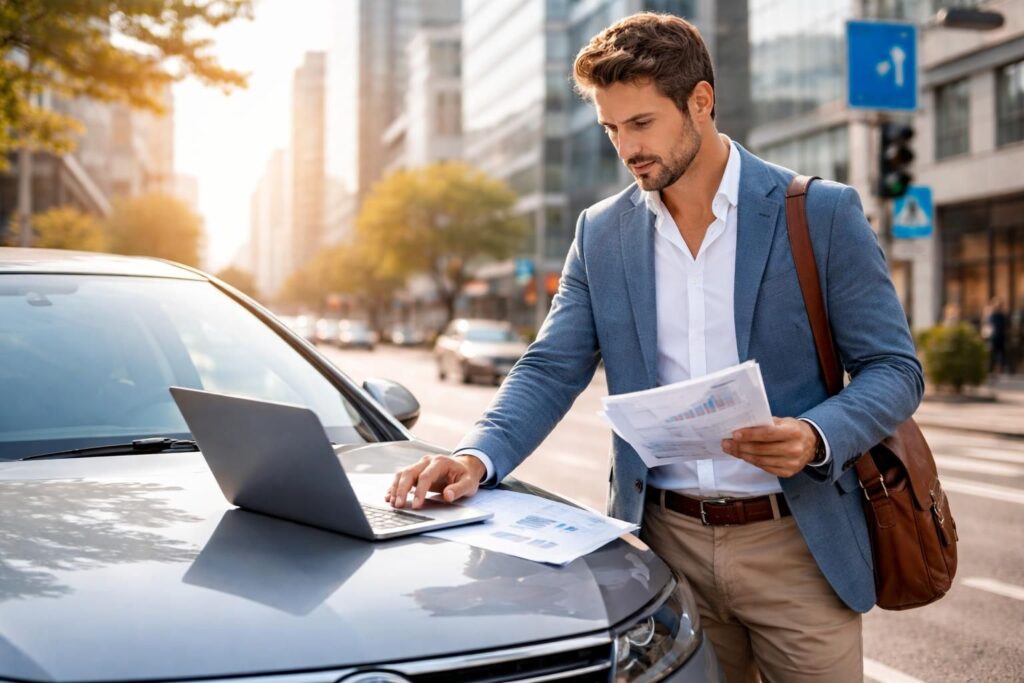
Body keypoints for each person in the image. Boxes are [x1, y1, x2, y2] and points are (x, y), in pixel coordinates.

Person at [387, 13, 923, 682]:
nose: (627, 147)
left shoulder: (820, 213)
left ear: (700, 101)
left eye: (641, 123)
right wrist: (476, 455)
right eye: (611, 129)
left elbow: (894, 369)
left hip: (796, 542)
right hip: (664, 548)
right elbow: (551, 367)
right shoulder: (601, 233)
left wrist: (816, 435)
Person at [982, 296, 1008, 374]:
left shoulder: (1002, 316)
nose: (997, 307)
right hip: (993, 338)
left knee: (1001, 354)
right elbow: (988, 327)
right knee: (992, 354)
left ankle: (1000, 369)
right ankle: (991, 369)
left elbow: (1005, 326)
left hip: (1001, 338)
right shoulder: (991, 316)